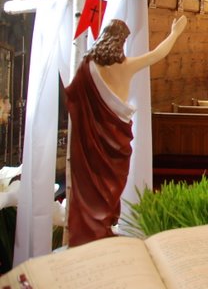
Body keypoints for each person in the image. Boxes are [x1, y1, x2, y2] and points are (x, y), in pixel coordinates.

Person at [65, 15, 187, 246]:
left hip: (91, 135)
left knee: (91, 180)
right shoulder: (126, 65)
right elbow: (157, 54)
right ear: (120, 41)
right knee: (112, 180)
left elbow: (72, 94)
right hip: (116, 131)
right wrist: (174, 33)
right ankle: (101, 228)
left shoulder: (86, 65)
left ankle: (94, 229)